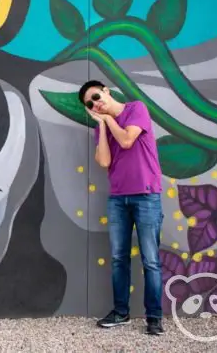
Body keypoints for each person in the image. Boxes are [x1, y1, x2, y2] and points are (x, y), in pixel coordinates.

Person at [78, 80, 165, 336]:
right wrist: (102, 125)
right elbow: (104, 160)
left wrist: (108, 119)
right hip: (118, 199)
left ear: (105, 90)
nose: (95, 103)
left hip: (147, 196)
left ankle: (154, 317)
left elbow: (127, 140)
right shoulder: (102, 126)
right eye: (90, 104)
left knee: (150, 261)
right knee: (119, 259)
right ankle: (120, 312)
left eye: (96, 96)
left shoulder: (136, 108)